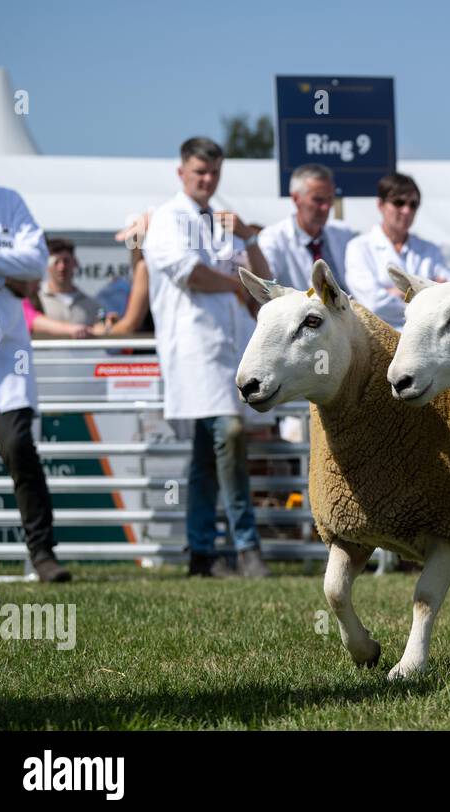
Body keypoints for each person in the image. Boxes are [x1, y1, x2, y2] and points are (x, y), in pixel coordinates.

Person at [142, 136, 273, 578]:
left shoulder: (223, 221)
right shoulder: (166, 219)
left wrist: (247, 238)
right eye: (199, 172)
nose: (207, 180)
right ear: (181, 172)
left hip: (231, 349)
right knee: (230, 434)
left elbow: (265, 283)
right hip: (194, 349)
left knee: (206, 452)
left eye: (213, 172)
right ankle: (246, 546)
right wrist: (235, 284)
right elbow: (190, 274)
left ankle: (200, 553)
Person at [0, 125, 70, 583]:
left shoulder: (7, 199)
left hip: (6, 345)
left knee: (18, 447)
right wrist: (4, 273)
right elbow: (22, 270)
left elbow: (35, 262)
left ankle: (42, 553)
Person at [344, 173, 450, 329]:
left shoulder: (430, 249)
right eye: (399, 202)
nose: (406, 210)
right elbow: (373, 304)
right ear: (380, 205)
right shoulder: (359, 247)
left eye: (413, 204)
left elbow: (448, 296)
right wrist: (425, 292)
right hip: (378, 342)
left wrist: (397, 292)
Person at [257, 163, 356, 292]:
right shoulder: (273, 238)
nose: (326, 207)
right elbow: (264, 285)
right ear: (296, 198)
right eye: (318, 200)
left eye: (330, 199)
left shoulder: (344, 234)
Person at [39, 237, 106, 325]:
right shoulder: (35, 300)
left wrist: (108, 325)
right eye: (56, 262)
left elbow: (102, 329)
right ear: (46, 265)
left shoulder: (92, 305)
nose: (62, 267)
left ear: (75, 262)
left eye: (66, 261)